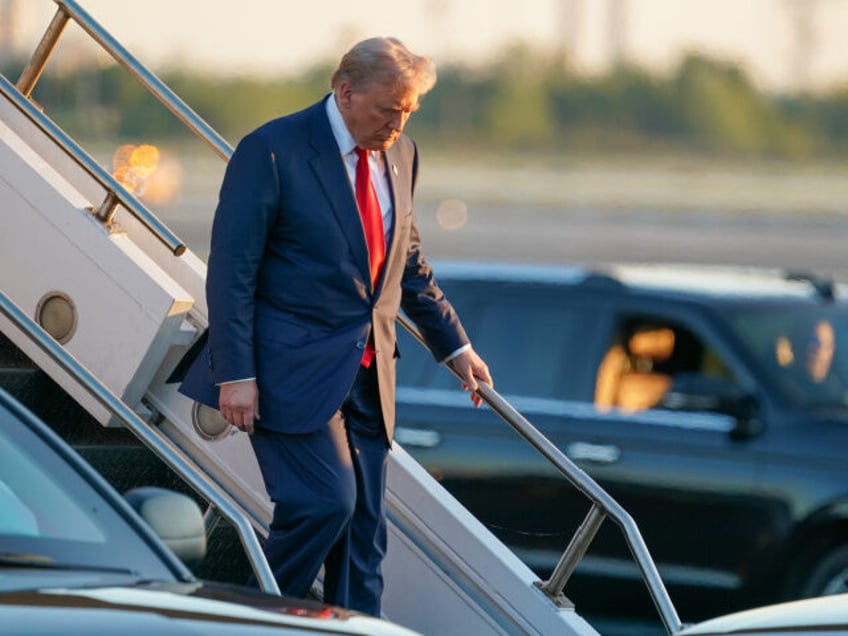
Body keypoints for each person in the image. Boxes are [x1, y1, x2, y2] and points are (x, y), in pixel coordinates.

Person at [175, 36, 492, 616]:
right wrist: (236, 372)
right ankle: (242, 619)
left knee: (363, 542)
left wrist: (456, 347)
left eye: (408, 113)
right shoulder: (272, 150)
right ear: (345, 92)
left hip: (370, 372)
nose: (398, 125)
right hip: (286, 370)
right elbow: (232, 272)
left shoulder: (403, 155)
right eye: (388, 110)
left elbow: (407, 261)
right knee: (324, 502)